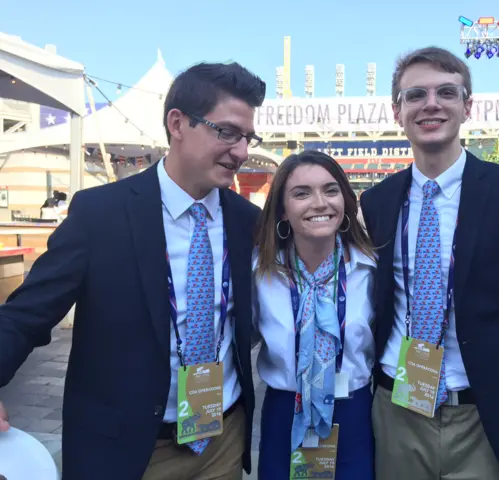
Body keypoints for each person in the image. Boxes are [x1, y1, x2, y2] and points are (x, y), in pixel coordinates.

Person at [0, 62, 266, 480]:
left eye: (247, 137)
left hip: (221, 443)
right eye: (227, 132)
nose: (242, 151)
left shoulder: (248, 221)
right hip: (126, 450)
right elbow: (26, 313)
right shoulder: (100, 214)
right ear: (177, 123)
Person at [359, 47, 499, 480]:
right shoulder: (376, 202)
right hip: (398, 409)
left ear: (468, 106)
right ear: (398, 111)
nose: (430, 104)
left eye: (446, 92)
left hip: (483, 413)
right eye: (415, 95)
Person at [253, 150, 376, 479]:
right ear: (282, 209)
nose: (320, 203)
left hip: (353, 413)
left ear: (345, 201)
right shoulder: (259, 274)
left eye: (331, 190)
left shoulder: (371, 270)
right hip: (284, 413)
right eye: (301, 193)